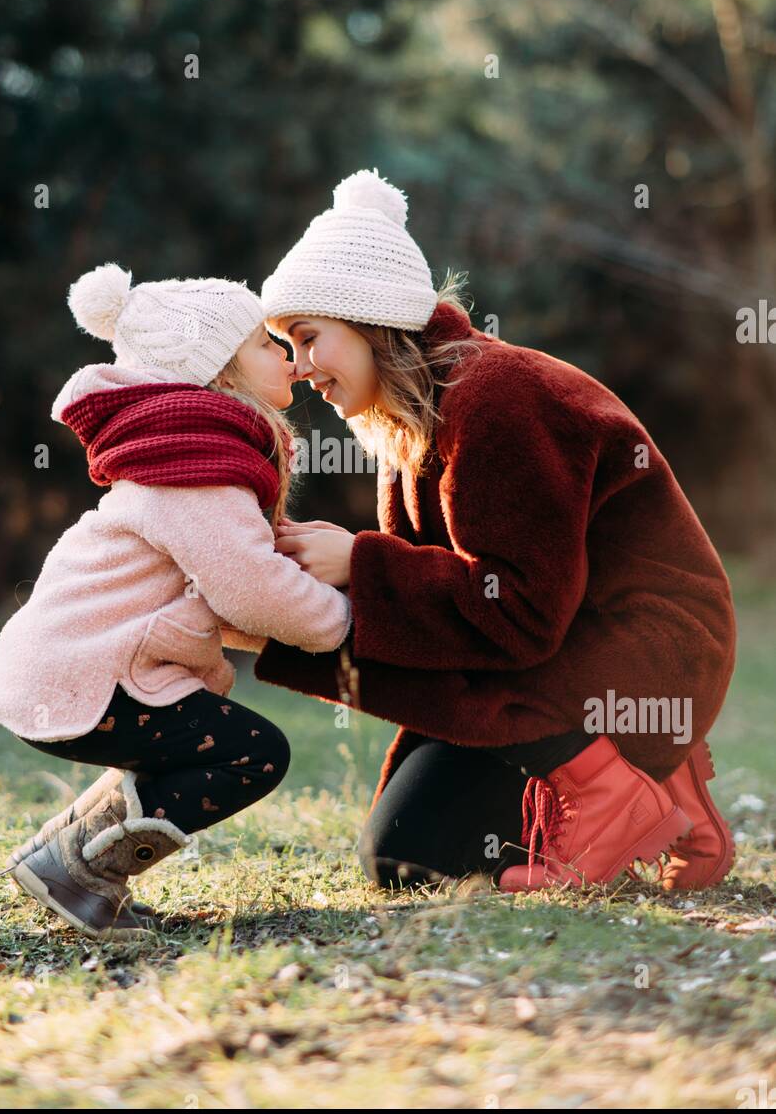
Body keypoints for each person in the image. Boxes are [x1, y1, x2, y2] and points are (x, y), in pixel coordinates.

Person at [244, 168, 737, 895]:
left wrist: (360, 564)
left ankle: (626, 779)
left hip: (650, 654)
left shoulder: (497, 400)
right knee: (410, 859)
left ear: (370, 318)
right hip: (557, 657)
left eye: (309, 337)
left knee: (428, 851)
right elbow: (441, 622)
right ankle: (662, 789)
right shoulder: (408, 430)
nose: (301, 367)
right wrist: (281, 609)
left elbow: (519, 616)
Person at [0, 264, 351, 938]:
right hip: (87, 671)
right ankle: (80, 868)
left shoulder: (188, 459)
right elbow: (250, 586)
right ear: (218, 372)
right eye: (268, 343)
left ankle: (54, 854)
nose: (291, 360)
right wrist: (337, 623)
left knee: (194, 742)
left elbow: (226, 595)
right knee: (250, 752)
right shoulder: (194, 471)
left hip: (74, 666)